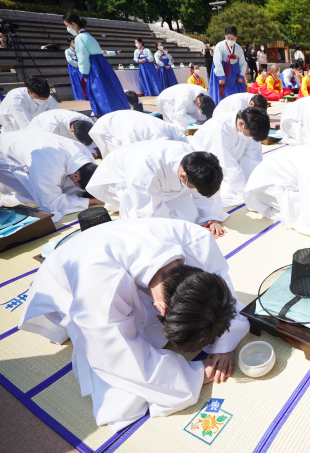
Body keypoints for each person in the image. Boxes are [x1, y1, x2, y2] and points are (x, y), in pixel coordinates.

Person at [19, 217, 251, 431]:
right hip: (70, 273)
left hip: (115, 243)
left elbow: (223, 291)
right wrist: (197, 374)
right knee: (124, 395)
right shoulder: (99, 287)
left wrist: (224, 342)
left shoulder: (195, 238)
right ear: (160, 309)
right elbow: (118, 356)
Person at [86, 141, 228, 237]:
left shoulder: (199, 160)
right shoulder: (143, 171)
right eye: (195, 187)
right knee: (147, 227)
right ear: (184, 176)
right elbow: (148, 212)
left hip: (163, 179)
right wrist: (186, 233)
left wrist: (211, 218)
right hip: (119, 179)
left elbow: (208, 190)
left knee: (189, 217)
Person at [0, 130, 100, 221]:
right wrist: (91, 201)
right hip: (4, 154)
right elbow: (50, 203)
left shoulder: (84, 154)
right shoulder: (47, 164)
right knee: (34, 201)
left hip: (23, 145)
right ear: (76, 177)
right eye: (77, 184)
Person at [191, 107, 269, 207]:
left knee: (254, 187)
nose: (251, 138)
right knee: (224, 194)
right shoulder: (218, 128)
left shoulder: (250, 127)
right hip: (208, 165)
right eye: (251, 135)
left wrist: (254, 185)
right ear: (241, 123)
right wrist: (244, 192)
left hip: (231, 162)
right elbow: (224, 164)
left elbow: (254, 157)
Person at [62, 12, 128, 116]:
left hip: (94, 68)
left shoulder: (79, 38)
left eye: (67, 26)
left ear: (73, 24)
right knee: (109, 90)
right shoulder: (88, 35)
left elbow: (83, 58)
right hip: (102, 65)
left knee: (99, 93)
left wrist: (84, 74)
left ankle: (106, 115)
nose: (67, 28)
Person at [87, 110, 188, 158]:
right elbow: (128, 157)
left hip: (127, 119)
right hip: (107, 125)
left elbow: (184, 143)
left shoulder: (168, 129)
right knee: (115, 157)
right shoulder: (131, 139)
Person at [26, 109, 96, 154]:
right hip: (38, 136)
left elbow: (92, 142)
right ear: (72, 131)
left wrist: (93, 153)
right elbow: (52, 149)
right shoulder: (52, 126)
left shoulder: (88, 121)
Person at [209, 26, 247, 105]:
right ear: (225, 36)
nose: (230, 40)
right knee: (222, 96)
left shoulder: (238, 48)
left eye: (232, 38)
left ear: (236, 37)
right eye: (228, 38)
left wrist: (241, 76)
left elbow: (243, 63)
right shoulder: (220, 46)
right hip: (222, 73)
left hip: (234, 75)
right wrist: (221, 77)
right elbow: (217, 62)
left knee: (237, 95)